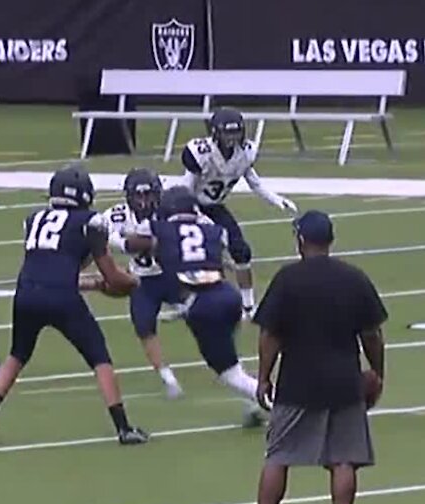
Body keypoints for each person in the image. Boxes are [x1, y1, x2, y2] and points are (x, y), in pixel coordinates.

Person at [0, 165, 148, 446]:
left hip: (26, 292)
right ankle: (123, 427)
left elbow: (53, 263)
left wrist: (91, 284)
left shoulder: (34, 219)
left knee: (17, 354)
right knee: (99, 357)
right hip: (61, 297)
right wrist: (135, 283)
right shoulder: (91, 222)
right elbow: (112, 276)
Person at [252, 210, 387, 504]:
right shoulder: (353, 277)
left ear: (301, 240)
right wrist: (377, 372)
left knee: (278, 456)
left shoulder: (287, 279)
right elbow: (372, 334)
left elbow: (270, 334)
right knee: (343, 459)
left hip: (297, 382)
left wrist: (263, 377)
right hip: (344, 382)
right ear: (330, 240)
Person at [125, 186, 268, 426]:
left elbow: (132, 244)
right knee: (231, 357)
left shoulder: (157, 227)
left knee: (229, 373)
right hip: (228, 296)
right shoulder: (214, 230)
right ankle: (257, 404)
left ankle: (281, 405)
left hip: (203, 306)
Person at [176, 107, 298, 318]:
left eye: (235, 132)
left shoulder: (245, 152)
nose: (232, 138)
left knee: (240, 251)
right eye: (227, 133)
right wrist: (195, 215)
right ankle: (183, 301)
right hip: (186, 205)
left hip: (214, 206)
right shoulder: (200, 152)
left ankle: (248, 306)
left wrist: (276, 199)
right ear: (216, 132)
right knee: (189, 253)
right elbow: (186, 189)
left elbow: (254, 182)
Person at [100, 168, 184, 398]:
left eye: (148, 195)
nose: (144, 201)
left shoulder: (170, 210)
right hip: (142, 280)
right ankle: (167, 376)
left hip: (172, 274)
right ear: (128, 196)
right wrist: (129, 244)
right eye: (139, 196)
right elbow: (104, 234)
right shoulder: (117, 215)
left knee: (207, 311)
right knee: (144, 326)